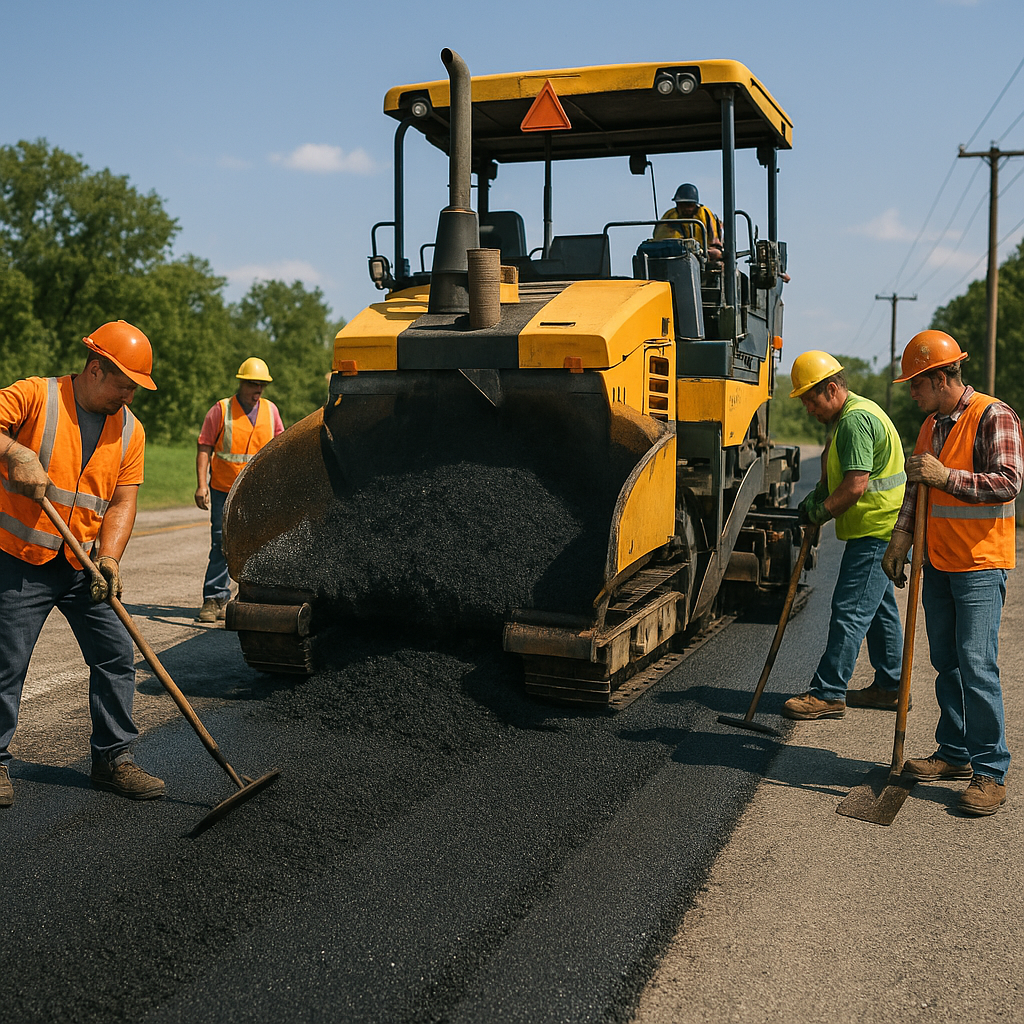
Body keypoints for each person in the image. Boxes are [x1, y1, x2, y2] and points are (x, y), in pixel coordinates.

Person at [0, 320, 164, 808]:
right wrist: (13, 450)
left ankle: (113, 759)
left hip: (81, 565)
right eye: (124, 385)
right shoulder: (36, 396)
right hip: (18, 560)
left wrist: (109, 557)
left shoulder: (130, 430)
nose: (129, 396)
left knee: (115, 654)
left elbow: (122, 502)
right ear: (96, 369)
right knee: (6, 663)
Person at [882, 330, 1023, 817]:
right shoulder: (930, 426)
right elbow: (916, 487)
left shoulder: (993, 415)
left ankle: (990, 772)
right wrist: (901, 538)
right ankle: (955, 751)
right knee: (946, 660)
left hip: (980, 563)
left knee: (976, 662)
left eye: (916, 383)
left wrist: (947, 477)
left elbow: (1008, 481)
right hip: (938, 560)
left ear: (941, 378)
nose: (911, 392)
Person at [782, 350, 906, 721]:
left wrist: (820, 513)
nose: (808, 409)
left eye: (811, 400)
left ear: (832, 389)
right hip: (880, 528)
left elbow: (855, 486)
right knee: (880, 611)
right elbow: (837, 475)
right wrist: (817, 496)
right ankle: (891, 687)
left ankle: (828, 693)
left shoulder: (855, 421)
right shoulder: (849, 418)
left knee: (849, 611)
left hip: (876, 531)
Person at [194, 357, 284, 622]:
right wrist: (201, 484)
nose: (259, 390)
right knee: (221, 543)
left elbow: (280, 448)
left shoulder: (271, 411)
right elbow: (204, 446)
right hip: (223, 489)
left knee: (257, 546)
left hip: (258, 492)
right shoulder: (221, 409)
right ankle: (214, 599)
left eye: (262, 385)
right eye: (254, 384)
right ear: (242, 383)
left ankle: (250, 598)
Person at [653, 182, 724, 260]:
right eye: (682, 205)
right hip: (677, 257)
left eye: (689, 205)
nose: (686, 209)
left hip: (704, 256)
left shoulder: (705, 214)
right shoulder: (669, 217)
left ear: (695, 204)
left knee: (717, 254)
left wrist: (707, 252)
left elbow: (715, 241)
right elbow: (662, 241)